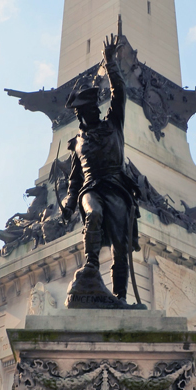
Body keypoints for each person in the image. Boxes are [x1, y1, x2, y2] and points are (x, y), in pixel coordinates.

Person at [61, 31, 139, 304]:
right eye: (88, 110)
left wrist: (110, 64)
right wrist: (69, 204)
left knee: (121, 245)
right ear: (80, 115)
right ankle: (91, 265)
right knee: (92, 215)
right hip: (91, 188)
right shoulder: (78, 143)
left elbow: (120, 93)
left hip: (116, 187)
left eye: (95, 107)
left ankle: (119, 296)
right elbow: (74, 181)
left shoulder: (113, 124)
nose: (94, 112)